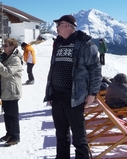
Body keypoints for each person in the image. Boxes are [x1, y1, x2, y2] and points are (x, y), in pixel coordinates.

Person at [43, 15, 102, 159]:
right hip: (57, 96)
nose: (56, 28)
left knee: (79, 136)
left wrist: (92, 93)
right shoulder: (58, 43)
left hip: (74, 97)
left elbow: (95, 70)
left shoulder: (85, 44)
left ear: (67, 26)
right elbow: (53, 68)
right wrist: (50, 93)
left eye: (59, 24)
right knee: (61, 134)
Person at [0, 38, 23, 147]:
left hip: (12, 91)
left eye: (6, 45)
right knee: (7, 114)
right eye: (4, 45)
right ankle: (9, 133)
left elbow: (6, 72)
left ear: (13, 47)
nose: (4, 47)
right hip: (5, 90)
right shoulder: (5, 57)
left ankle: (15, 136)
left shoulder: (15, 59)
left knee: (12, 115)